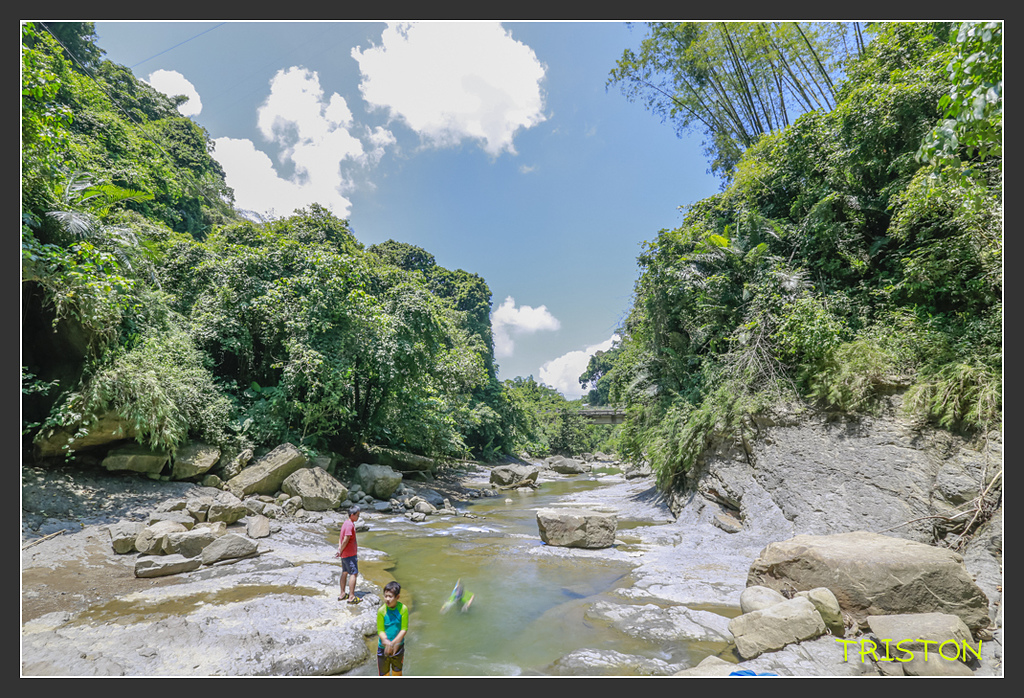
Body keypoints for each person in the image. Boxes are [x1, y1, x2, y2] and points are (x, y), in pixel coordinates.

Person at [376, 581, 409, 676]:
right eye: (385, 596)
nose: (387, 599)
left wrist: (393, 643)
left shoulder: (403, 609)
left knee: (397, 672)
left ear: (397, 597)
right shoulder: (381, 611)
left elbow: (404, 629)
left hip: (398, 647)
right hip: (383, 648)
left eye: (390, 596)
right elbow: (380, 630)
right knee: (384, 674)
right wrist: (386, 642)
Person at [335, 505, 360, 603]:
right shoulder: (350, 525)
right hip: (350, 554)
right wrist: (340, 550)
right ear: (352, 515)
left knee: (344, 572)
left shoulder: (345, 523)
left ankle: (342, 594)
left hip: (345, 554)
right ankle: (351, 596)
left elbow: (340, 538)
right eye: (357, 515)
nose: (358, 517)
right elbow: (346, 539)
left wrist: (340, 549)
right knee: (353, 573)